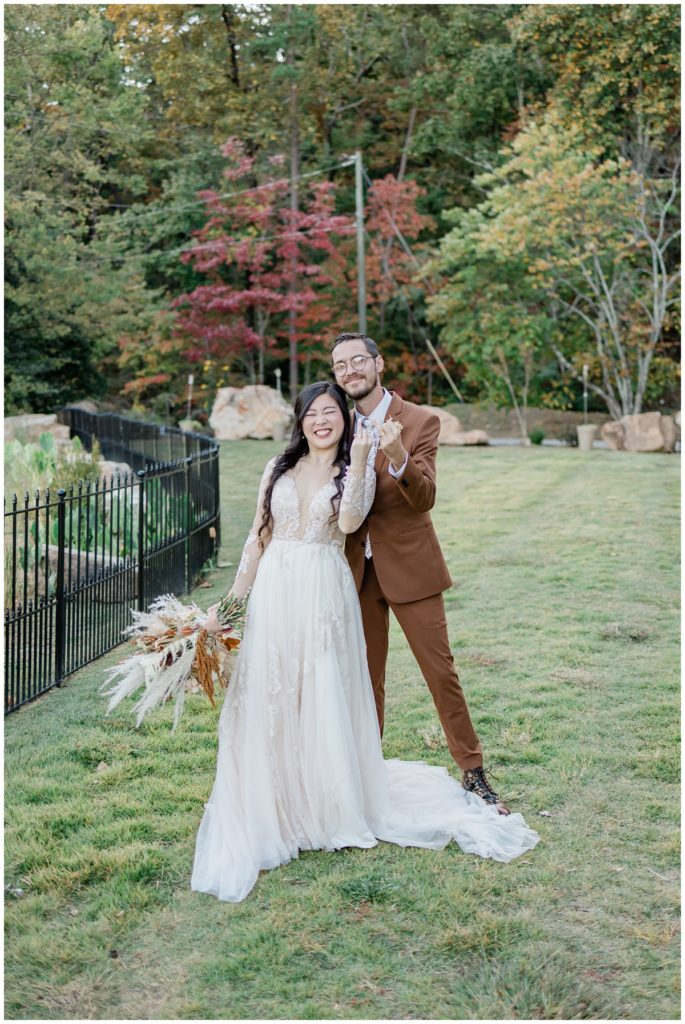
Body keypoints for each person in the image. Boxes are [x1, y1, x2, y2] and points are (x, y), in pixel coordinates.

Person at [192, 381, 538, 903]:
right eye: (313, 413)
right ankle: (278, 797)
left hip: (324, 590)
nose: (322, 421)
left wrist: (357, 458)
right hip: (277, 591)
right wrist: (231, 606)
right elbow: (257, 539)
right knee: (274, 691)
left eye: (331, 412)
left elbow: (352, 519)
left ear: (345, 416)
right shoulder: (276, 468)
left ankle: (337, 795)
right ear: (300, 419)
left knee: (325, 688)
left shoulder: (356, 467)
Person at [331, 332, 510, 814]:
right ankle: (365, 775)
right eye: (340, 366)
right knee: (365, 680)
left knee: (440, 672)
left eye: (357, 361)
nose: (349, 371)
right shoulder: (335, 424)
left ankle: (473, 771)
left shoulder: (419, 421)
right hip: (356, 573)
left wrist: (396, 458)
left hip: (411, 567)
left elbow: (425, 496)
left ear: (378, 363)